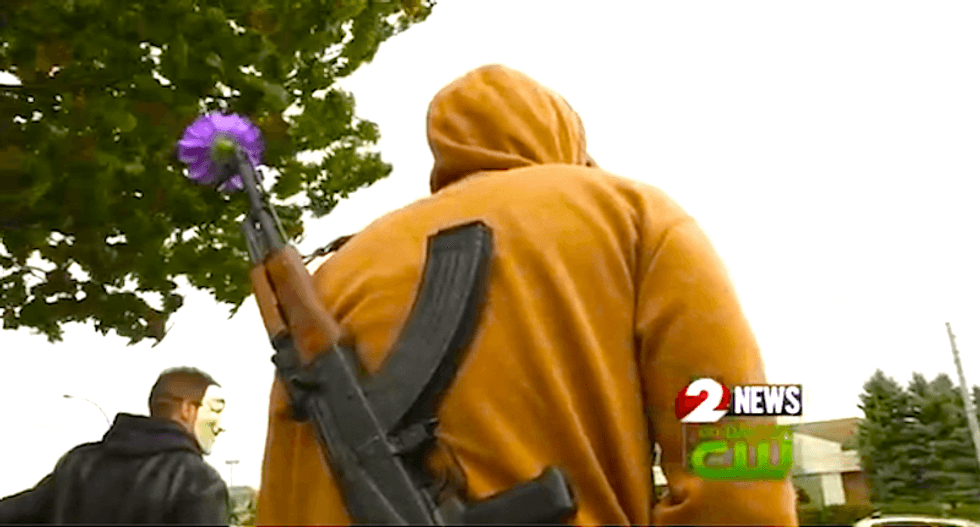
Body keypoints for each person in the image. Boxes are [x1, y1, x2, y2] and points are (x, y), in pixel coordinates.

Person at [256, 64, 799, 525]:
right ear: (568, 138)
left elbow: (290, 485)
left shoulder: (331, 279)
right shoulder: (634, 215)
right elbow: (736, 430)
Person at [0, 366, 229, 523]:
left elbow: (16, 512)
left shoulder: (78, 463)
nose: (221, 426)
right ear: (187, 410)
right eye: (217, 410)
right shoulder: (197, 481)